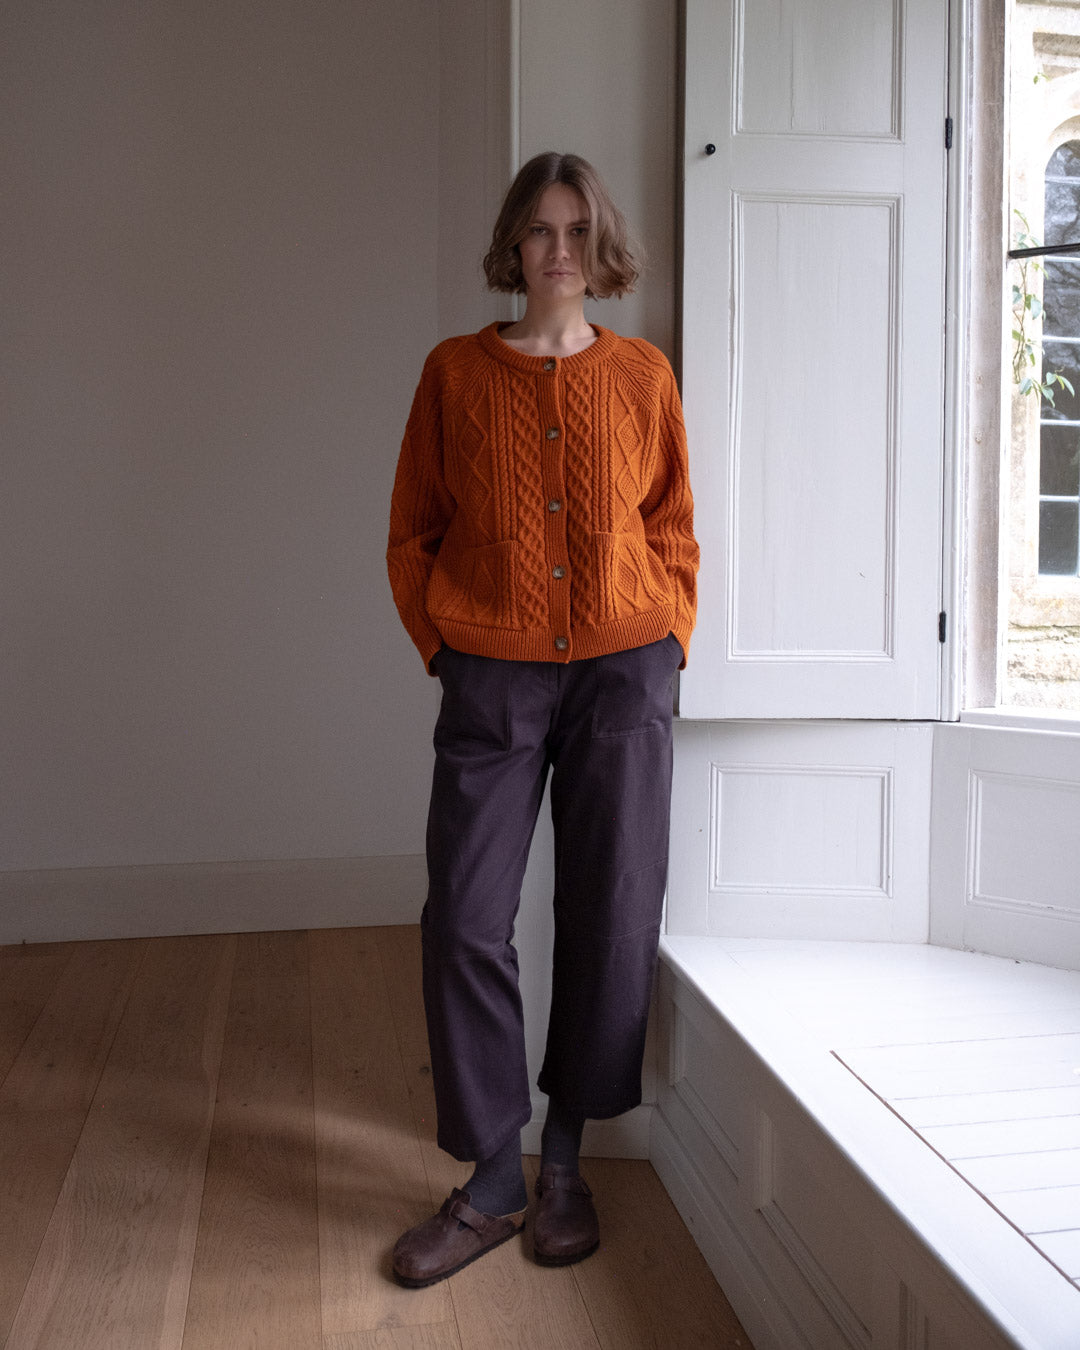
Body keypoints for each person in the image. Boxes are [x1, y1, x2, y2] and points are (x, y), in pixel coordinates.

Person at [386, 151, 698, 1287]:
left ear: (598, 245)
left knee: (611, 911)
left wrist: (668, 639)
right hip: (494, 677)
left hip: (625, 673)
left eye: (576, 229)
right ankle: (491, 1177)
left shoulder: (644, 374)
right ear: (512, 245)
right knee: (466, 918)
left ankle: (565, 1157)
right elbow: (413, 531)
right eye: (538, 230)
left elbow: (672, 525)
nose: (558, 249)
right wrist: (448, 649)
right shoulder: (454, 374)